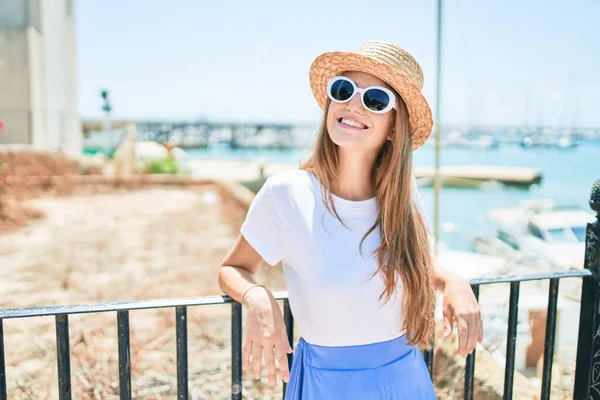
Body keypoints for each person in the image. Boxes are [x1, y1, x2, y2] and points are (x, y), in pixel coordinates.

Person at [218, 40, 483, 399]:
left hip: (406, 377)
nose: (353, 104)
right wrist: (257, 297)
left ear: (394, 127)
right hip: (328, 384)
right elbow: (232, 269)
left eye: (375, 99)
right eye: (343, 90)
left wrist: (454, 281)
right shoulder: (286, 193)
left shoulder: (403, 197)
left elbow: (407, 264)